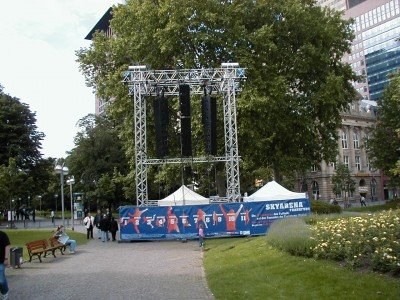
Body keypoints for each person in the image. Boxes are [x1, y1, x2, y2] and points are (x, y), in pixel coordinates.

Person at [0, 230, 10, 299]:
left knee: (1, 280)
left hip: (1, 261)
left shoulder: (2, 234)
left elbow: (7, 246)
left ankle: (5, 292)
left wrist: (6, 258)